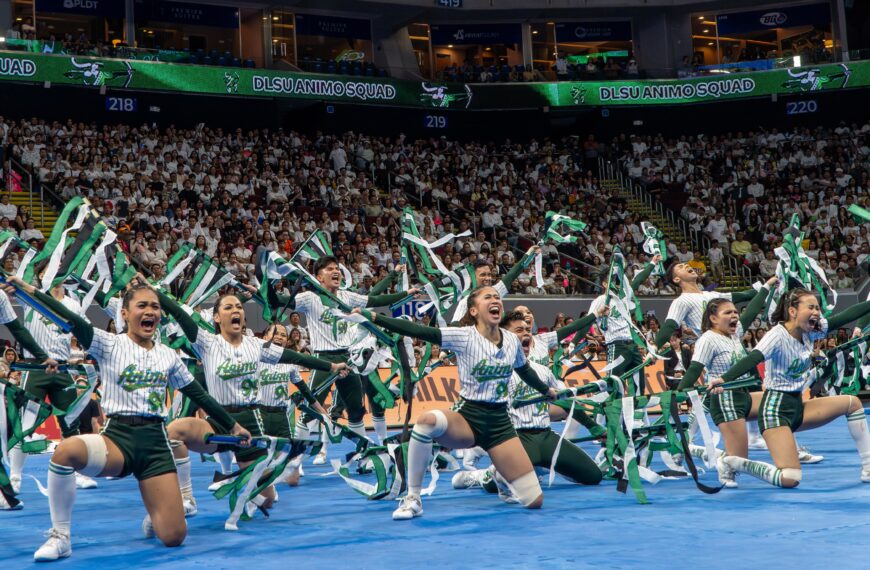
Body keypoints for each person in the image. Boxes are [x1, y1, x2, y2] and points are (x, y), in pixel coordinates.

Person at [2, 279, 250, 562]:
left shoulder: (168, 356)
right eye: (142, 305)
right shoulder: (107, 344)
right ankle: (61, 535)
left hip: (156, 446)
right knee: (65, 452)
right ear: (124, 313)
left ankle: (158, 509)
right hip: (118, 440)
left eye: (155, 307)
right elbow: (67, 317)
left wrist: (233, 426)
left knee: (173, 537)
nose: (150, 312)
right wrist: (28, 291)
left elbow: (199, 395)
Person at [353, 286, 558, 519]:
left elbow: (525, 370)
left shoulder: (512, 340)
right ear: (473, 310)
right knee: (426, 422)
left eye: (497, 297)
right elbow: (419, 331)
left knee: (535, 501)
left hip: (501, 424)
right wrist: (375, 317)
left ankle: (493, 477)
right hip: (469, 417)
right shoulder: (463, 335)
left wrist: (546, 390)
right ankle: (413, 497)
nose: (495, 300)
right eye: (488, 297)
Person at [160, 289, 341, 514]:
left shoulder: (256, 345)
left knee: (268, 499)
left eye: (239, 307)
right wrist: (155, 294)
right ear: (216, 317)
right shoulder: (206, 342)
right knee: (175, 431)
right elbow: (180, 315)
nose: (236, 310)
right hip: (218, 420)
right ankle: (187, 499)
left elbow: (294, 357)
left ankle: (250, 490)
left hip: (250, 425)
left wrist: (330, 366)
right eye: (228, 307)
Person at [711, 289, 870, 488]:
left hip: (797, 404)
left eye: (818, 308)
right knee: (790, 478)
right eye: (810, 307)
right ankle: (730, 461)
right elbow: (754, 358)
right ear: (792, 311)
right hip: (775, 412)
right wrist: (723, 379)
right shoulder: (777, 335)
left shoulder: (811, 330)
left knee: (852, 403)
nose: (816, 312)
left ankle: (868, 467)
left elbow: (847, 316)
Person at [451, 309, 607, 495]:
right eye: (519, 330)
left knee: (593, 476)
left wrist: (594, 427)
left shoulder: (542, 370)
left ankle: (542, 467)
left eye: (527, 329)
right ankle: (481, 475)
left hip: (546, 435)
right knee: (496, 486)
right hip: (515, 439)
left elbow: (566, 400)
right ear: (504, 337)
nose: (526, 333)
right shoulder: (493, 369)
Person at [282, 256, 414, 464]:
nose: (336, 271)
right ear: (318, 277)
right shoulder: (310, 298)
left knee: (355, 410)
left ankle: (361, 454)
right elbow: (282, 302)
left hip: (349, 359)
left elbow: (375, 300)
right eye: (329, 269)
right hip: (323, 360)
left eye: (337, 268)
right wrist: (268, 284)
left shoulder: (347, 297)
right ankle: (295, 460)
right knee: (309, 410)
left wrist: (406, 293)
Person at [675, 277, 777, 486]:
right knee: (738, 459)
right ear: (713, 319)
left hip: (743, 395)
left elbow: (751, 312)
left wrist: (768, 285)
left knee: (777, 406)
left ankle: (791, 448)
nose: (735, 316)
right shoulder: (708, 339)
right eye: (728, 313)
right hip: (724, 398)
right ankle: (703, 455)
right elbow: (695, 369)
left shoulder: (734, 334)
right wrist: (679, 393)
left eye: (735, 312)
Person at [12, 276, 97, 491]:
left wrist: (82, 355)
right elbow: (10, 290)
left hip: (62, 368)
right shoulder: (30, 297)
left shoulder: (73, 304)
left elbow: (84, 331)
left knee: (71, 422)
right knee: (25, 422)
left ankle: (76, 473)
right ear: (41, 276)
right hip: (36, 367)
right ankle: (14, 477)